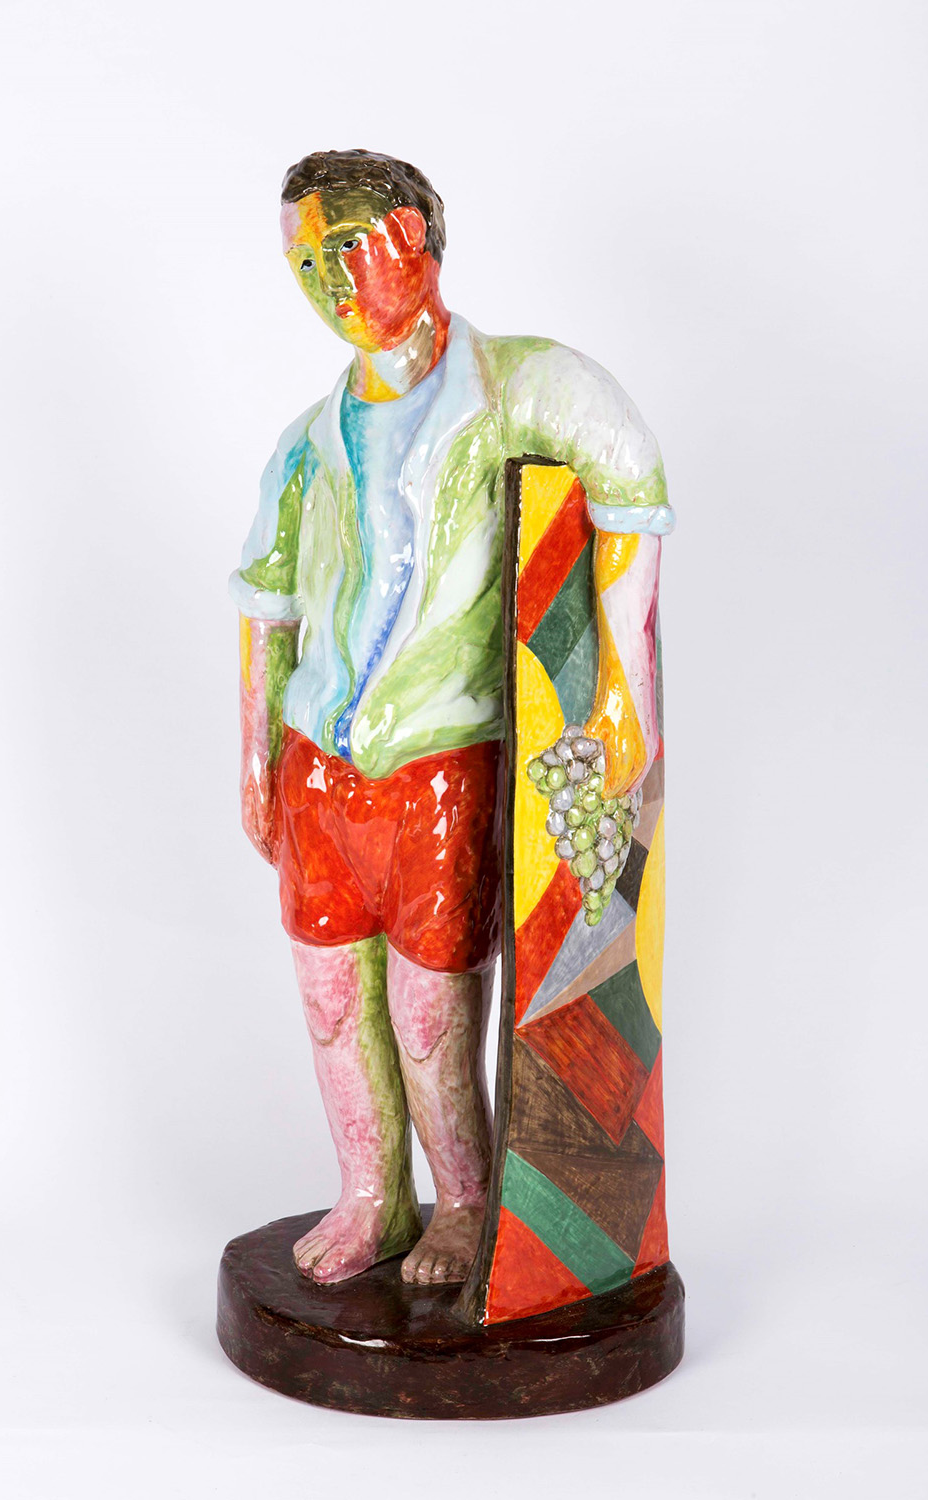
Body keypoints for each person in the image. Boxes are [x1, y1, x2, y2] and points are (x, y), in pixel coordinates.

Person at [231, 150, 674, 1287]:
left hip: (441, 764)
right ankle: (370, 1195)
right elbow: (266, 601)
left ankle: (465, 1203)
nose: (327, 282)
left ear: (420, 241)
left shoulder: (518, 386)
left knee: (430, 1010)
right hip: (322, 766)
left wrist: (621, 685)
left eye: (347, 249)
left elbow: (630, 477)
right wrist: (257, 758)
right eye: (304, 261)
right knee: (332, 1003)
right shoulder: (309, 440)